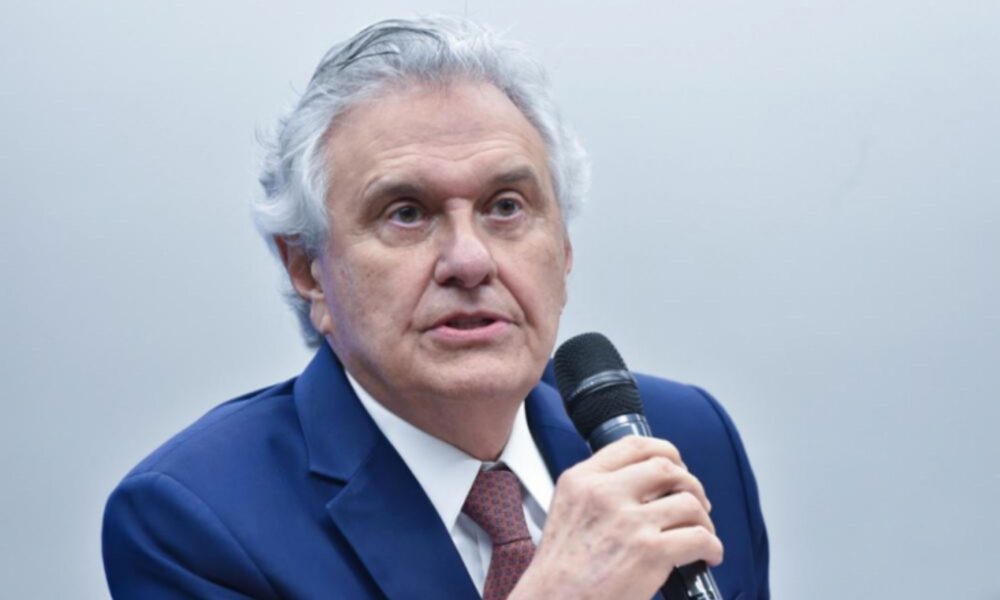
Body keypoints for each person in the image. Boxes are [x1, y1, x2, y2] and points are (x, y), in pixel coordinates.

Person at [102, 16, 769, 600]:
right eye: (407, 213)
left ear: (564, 248)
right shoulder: (193, 520)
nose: (470, 261)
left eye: (505, 206)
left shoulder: (680, 437)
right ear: (308, 270)